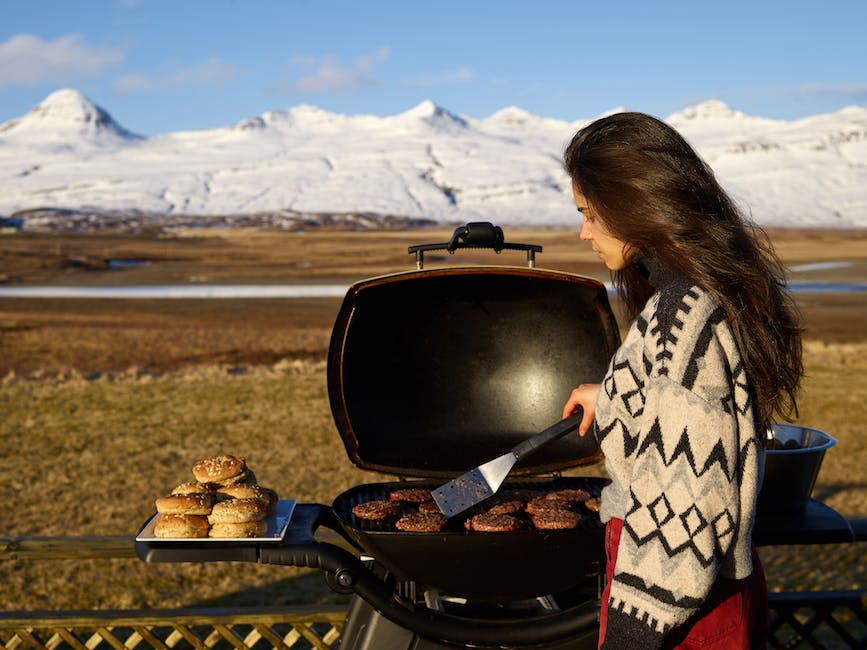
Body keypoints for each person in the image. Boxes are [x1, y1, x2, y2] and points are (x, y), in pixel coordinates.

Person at [560, 112, 803, 649]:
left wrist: (629, 633)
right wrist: (613, 396)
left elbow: (686, 504)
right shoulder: (703, 292)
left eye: (591, 214)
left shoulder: (682, 315)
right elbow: (692, 409)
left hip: (673, 604)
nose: (584, 232)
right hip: (702, 592)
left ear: (635, 206)